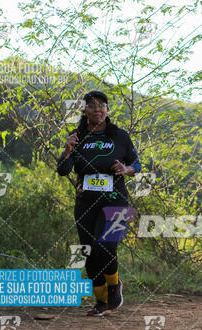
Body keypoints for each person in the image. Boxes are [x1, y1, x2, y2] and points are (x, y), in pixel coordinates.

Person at [56, 90, 141, 316]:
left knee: (105, 245)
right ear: (84, 110)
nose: (97, 109)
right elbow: (62, 171)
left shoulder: (120, 136)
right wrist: (67, 150)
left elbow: (137, 164)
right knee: (89, 253)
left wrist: (126, 169)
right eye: (92, 105)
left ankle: (115, 286)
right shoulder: (76, 137)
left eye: (102, 105)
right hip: (86, 203)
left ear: (107, 110)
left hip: (116, 201)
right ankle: (102, 302)